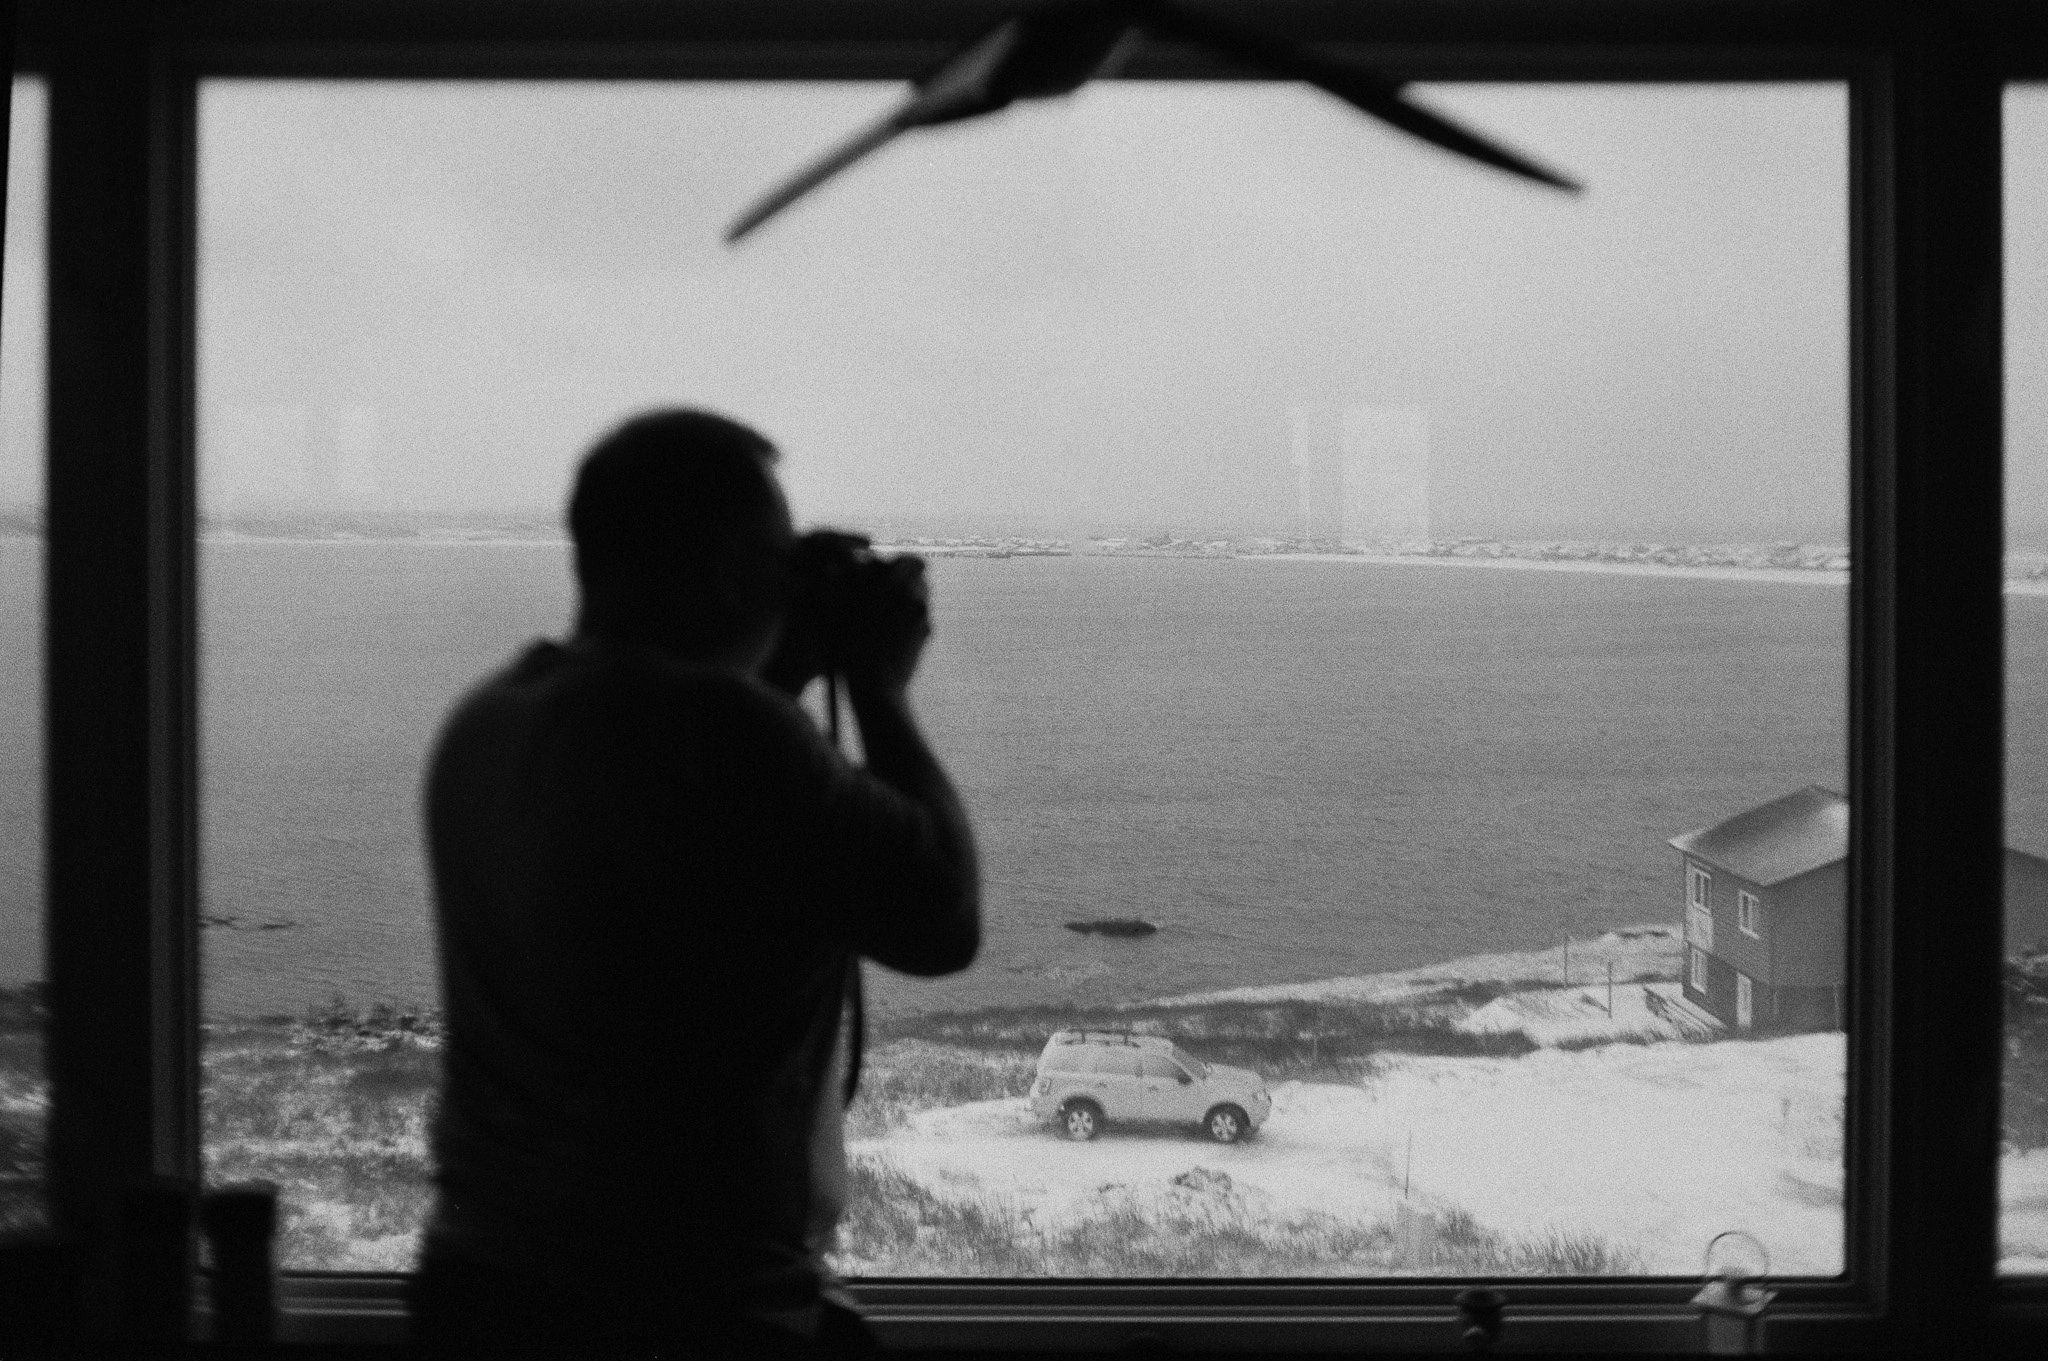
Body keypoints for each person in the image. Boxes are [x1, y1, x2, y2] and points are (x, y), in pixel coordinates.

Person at [407, 409, 981, 1353]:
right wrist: (880, 685)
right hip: (684, 1308)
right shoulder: (722, 735)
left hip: (481, 1283)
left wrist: (783, 662)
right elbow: (940, 917)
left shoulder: (489, 719)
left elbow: (707, 826)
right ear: (727, 569)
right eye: (777, 561)